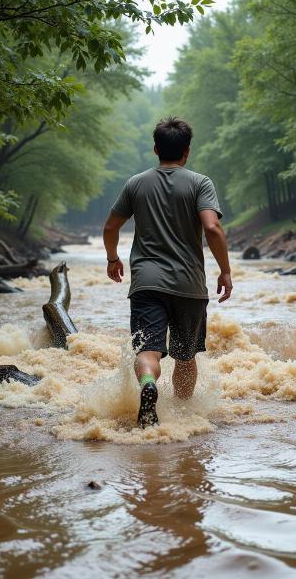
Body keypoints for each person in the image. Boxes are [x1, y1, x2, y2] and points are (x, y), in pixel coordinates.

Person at [103, 117, 232, 428]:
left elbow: (110, 227)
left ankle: (148, 384)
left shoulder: (135, 183)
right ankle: (182, 418)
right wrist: (225, 271)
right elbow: (212, 228)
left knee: (149, 350)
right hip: (188, 285)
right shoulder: (201, 183)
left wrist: (112, 259)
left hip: (146, 283)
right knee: (186, 357)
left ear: (155, 149)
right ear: (186, 151)